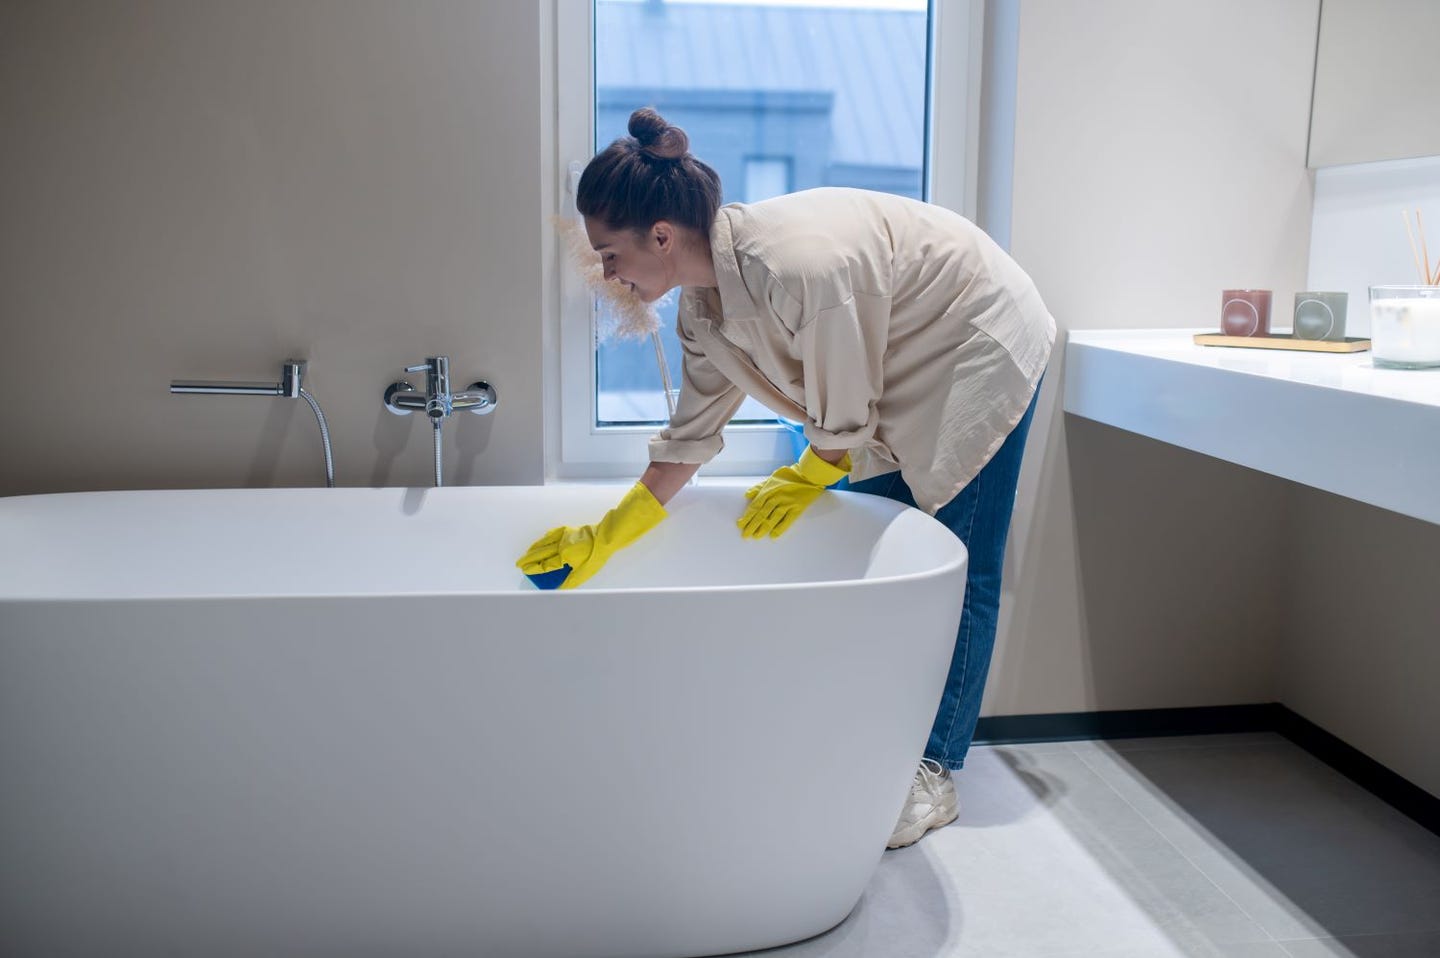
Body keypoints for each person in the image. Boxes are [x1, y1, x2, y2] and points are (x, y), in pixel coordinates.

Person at [517, 107, 1055, 849]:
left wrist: (813, 472)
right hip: (898, 364)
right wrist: (606, 534)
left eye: (611, 254)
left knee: (956, 562)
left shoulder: (799, 268)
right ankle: (879, 743)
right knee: (879, 566)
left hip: (977, 340)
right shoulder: (701, 312)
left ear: (662, 237)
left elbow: (840, 418)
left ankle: (930, 770)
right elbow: (690, 439)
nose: (607, 274)